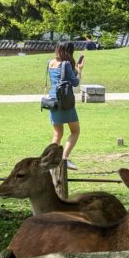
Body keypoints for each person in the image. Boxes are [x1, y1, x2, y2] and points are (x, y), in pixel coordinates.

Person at [47, 41, 83, 170]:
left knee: (57, 134)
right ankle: (64, 158)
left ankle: (50, 162)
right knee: (75, 131)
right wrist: (79, 71)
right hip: (65, 103)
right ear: (69, 51)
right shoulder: (66, 64)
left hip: (52, 102)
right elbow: (75, 83)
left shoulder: (50, 63)